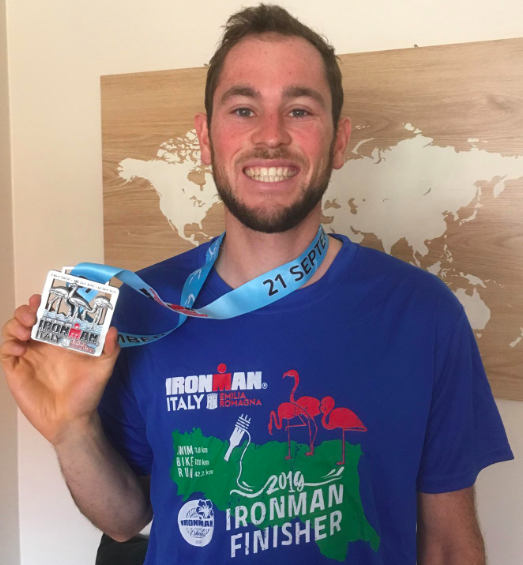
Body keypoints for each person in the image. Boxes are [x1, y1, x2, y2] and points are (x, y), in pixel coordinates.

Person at [1, 4, 513, 565]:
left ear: (339, 142)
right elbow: (125, 521)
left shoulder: (424, 313)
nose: (271, 136)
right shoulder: (143, 310)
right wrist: (71, 431)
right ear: (205, 138)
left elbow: (449, 544)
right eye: (244, 109)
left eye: (299, 110)